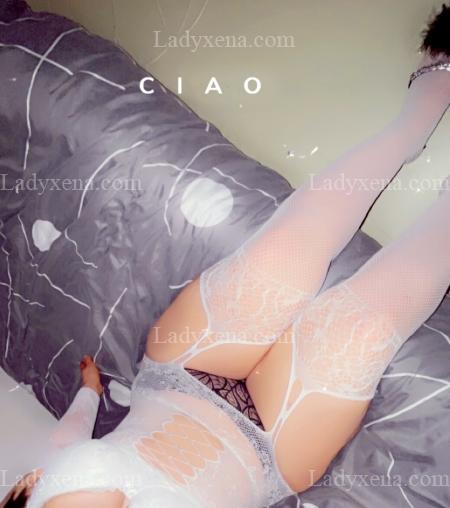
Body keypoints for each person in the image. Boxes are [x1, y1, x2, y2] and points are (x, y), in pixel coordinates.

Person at [3, 5, 449, 508]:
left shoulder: (32, 494)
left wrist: (88, 392)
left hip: (179, 376)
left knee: (287, 251)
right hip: (271, 448)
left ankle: (424, 107)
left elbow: (64, 444)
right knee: (363, 327)